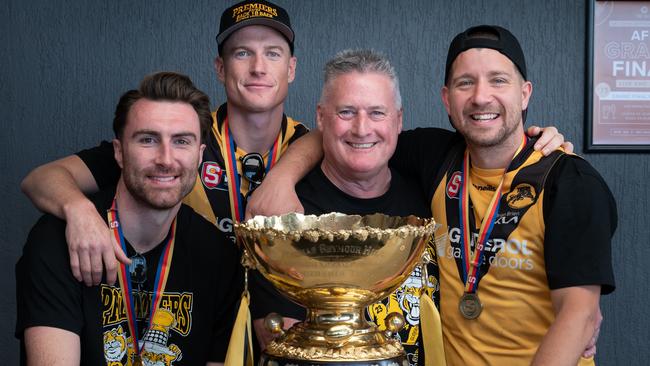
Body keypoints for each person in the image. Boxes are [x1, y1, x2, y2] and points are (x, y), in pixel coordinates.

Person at [19, 0, 308, 287]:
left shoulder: (308, 147)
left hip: (278, 317)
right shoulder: (179, 139)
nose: (258, 67)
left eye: (273, 53)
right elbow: (40, 179)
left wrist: (283, 175)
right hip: (191, 317)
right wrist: (79, 211)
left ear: (291, 68)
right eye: (242, 53)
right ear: (220, 68)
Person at [402, 25, 615, 365]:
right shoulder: (434, 156)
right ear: (446, 98)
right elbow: (356, 137)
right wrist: (283, 178)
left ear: (525, 93)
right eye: (465, 82)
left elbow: (580, 316)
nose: (481, 96)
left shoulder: (569, 181)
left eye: (498, 80)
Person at [15, 72, 243, 365]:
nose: (165, 158)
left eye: (181, 141)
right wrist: (79, 210)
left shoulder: (218, 256)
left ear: (199, 156)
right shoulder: (57, 240)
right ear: (119, 153)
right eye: (148, 140)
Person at [249, 49, 437, 366]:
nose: (362, 129)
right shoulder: (287, 215)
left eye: (377, 113)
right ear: (321, 117)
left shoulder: (428, 190)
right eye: (346, 112)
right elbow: (288, 348)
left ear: (399, 120)